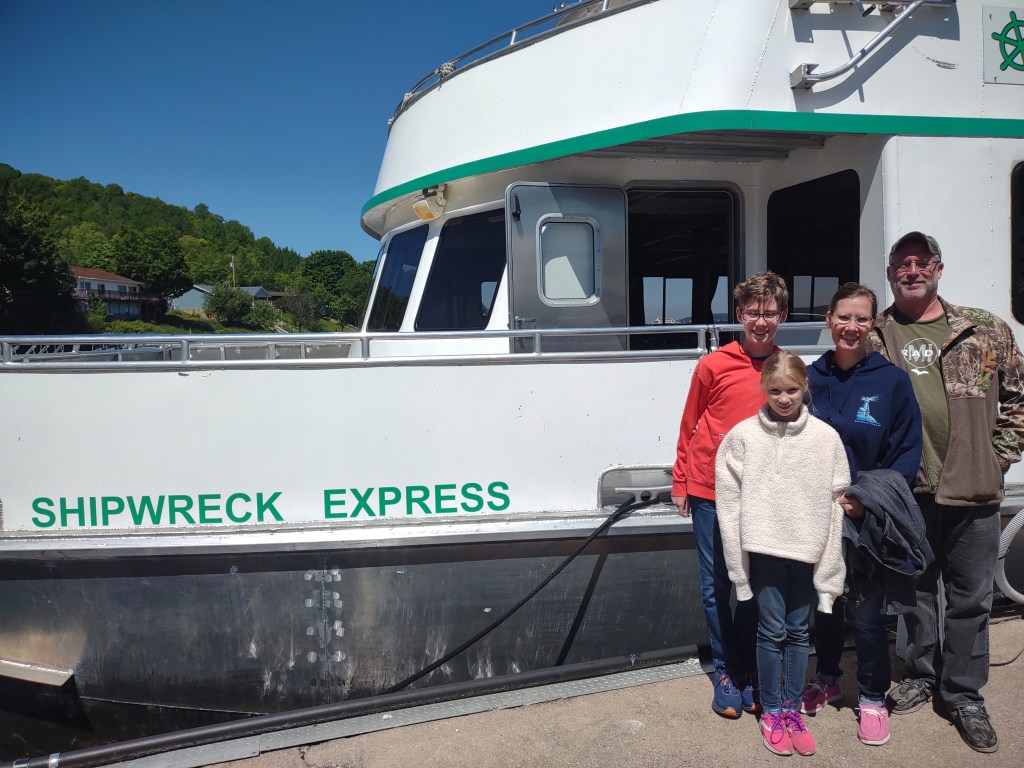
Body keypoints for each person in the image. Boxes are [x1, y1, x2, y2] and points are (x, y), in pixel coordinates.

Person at [868, 231, 1024, 753]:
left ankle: (963, 694)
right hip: (904, 489)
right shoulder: (873, 334)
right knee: (913, 591)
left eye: (921, 262)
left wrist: (996, 458)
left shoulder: (984, 329)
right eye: (902, 263)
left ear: (938, 267)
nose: (912, 270)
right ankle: (920, 671)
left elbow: (1019, 401)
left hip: (972, 488)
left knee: (970, 597)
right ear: (890, 273)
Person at [799, 283, 923, 747]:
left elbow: (907, 451)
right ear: (828, 320)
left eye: (861, 319)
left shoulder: (891, 381)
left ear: (873, 325)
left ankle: (872, 696)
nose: (852, 327)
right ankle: (827, 675)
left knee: (868, 615)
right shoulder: (812, 376)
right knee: (824, 605)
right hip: (819, 515)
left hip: (865, 516)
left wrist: (867, 500)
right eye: (843, 318)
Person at [716, 350, 850, 756]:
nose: (784, 398)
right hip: (764, 551)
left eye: (792, 389)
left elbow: (834, 507)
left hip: (808, 550)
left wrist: (829, 573)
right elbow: (729, 503)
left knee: (798, 631)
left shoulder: (826, 438)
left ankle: (792, 708)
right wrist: (739, 569)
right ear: (764, 389)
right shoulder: (742, 436)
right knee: (771, 630)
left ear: (805, 387)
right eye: (775, 390)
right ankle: (771, 710)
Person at [671, 271, 789, 718]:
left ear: (782, 315)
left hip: (763, 494)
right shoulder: (713, 365)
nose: (762, 321)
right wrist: (681, 481)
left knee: (758, 585)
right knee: (715, 584)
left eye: (770, 312)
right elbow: (690, 425)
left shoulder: (786, 366)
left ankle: (754, 667)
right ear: (740, 315)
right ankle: (726, 670)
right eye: (754, 312)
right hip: (709, 489)